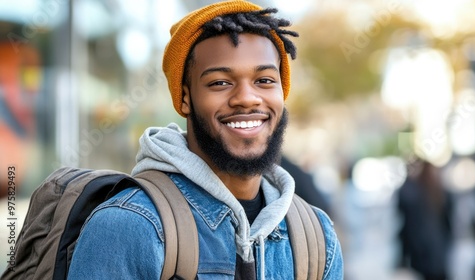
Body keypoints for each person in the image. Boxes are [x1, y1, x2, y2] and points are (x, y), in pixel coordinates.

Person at [67, 1, 343, 279]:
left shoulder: (318, 236)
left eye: (265, 80)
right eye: (220, 83)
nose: (247, 97)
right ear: (185, 98)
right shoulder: (129, 226)